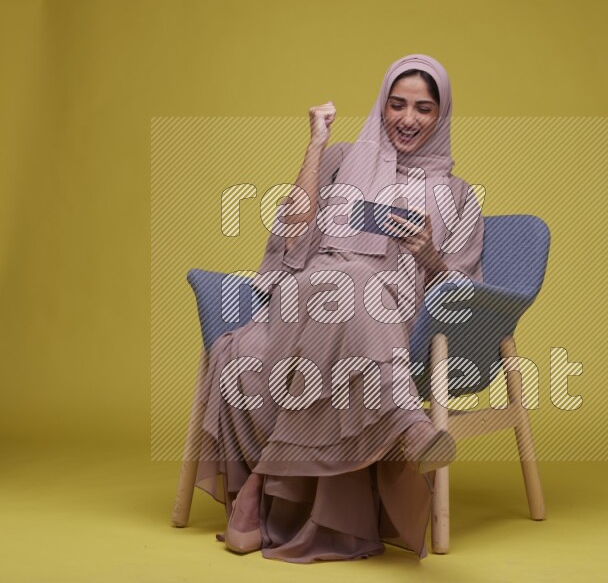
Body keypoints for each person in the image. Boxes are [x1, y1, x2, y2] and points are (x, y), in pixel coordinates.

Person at [192, 53, 485, 563]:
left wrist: (427, 253)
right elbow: (292, 237)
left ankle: (258, 487)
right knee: (342, 278)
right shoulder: (341, 160)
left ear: (441, 116)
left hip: (393, 314)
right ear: (382, 106)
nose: (408, 119)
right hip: (310, 294)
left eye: (423, 108)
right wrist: (316, 143)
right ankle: (407, 425)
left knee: (351, 289)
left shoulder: (460, 197)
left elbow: (459, 293)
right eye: (396, 105)